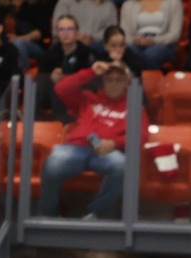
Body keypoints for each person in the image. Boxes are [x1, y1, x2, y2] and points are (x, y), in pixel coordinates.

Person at [39, 63, 133, 220]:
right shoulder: (88, 99)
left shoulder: (133, 106)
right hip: (76, 148)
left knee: (122, 165)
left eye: (118, 80)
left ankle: (95, 213)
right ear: (102, 81)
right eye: (109, 79)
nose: (113, 84)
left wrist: (114, 143)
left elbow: (141, 135)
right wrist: (91, 71)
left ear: (127, 83)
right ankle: (49, 214)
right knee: (53, 162)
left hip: (106, 152)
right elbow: (61, 88)